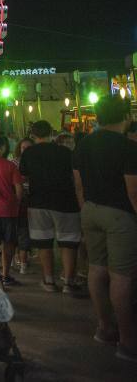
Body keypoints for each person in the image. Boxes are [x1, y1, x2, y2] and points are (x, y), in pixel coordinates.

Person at [73, 95, 137, 362]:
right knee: (122, 276)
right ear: (125, 117)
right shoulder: (128, 148)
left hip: (90, 210)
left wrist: (85, 209)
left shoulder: (83, 145)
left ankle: (104, 327)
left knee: (97, 269)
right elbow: (133, 191)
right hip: (119, 214)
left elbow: (78, 186)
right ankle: (128, 340)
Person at [19, 120, 83, 295]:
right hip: (66, 201)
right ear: (51, 133)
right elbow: (75, 177)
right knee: (68, 243)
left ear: (33, 135)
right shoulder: (64, 152)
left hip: (38, 202)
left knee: (44, 243)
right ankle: (69, 282)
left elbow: (23, 176)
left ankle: (48, 280)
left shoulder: (29, 153)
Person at [0, 134, 24, 286]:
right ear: (3, 147)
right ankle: (6, 275)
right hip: (8, 209)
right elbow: (19, 191)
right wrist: (17, 203)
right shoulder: (10, 166)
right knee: (8, 243)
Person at [12, 137, 35, 274]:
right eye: (23, 148)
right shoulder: (14, 162)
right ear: (19, 149)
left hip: (34, 197)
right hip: (20, 198)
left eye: (29, 148)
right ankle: (21, 256)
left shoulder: (37, 161)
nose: (26, 150)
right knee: (21, 228)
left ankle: (25, 254)